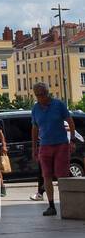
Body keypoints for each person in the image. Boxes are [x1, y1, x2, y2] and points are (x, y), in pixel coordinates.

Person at [31, 83, 75, 217]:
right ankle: (51, 206)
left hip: (61, 144)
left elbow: (70, 121)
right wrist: (34, 148)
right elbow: (34, 128)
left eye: (42, 94)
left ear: (47, 93)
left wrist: (72, 140)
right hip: (44, 145)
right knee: (46, 176)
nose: (40, 97)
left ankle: (66, 205)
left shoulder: (59, 105)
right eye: (37, 95)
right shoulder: (35, 109)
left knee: (62, 176)